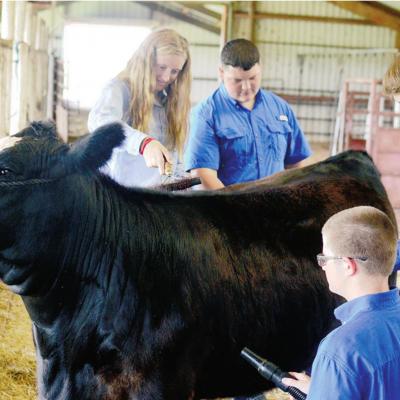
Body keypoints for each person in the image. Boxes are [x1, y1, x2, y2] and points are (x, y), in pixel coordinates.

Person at [282, 206, 400, 399]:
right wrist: (325, 386)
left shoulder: (339, 352)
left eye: (324, 258)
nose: (323, 267)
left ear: (347, 265)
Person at [184, 38, 311, 189]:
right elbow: (203, 175)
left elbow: (295, 164)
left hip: (276, 205)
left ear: (260, 68)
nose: (246, 87)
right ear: (221, 72)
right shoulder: (206, 114)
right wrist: (236, 209)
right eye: (237, 80)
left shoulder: (280, 108)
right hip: (228, 208)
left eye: (252, 78)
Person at [88, 29, 191, 187]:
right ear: (146, 61)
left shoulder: (171, 104)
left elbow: (176, 156)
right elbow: (102, 123)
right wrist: (144, 143)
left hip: (158, 199)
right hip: (122, 198)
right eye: (161, 67)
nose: (166, 77)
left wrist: (179, 179)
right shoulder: (118, 88)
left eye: (174, 71)